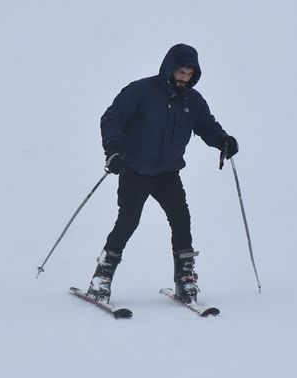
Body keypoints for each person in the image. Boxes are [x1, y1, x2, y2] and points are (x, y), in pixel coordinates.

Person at [86, 43, 239, 303]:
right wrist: (113, 150)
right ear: (169, 68)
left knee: (181, 219)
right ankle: (102, 276)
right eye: (180, 72)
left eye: (189, 74)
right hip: (134, 169)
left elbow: (206, 126)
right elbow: (112, 117)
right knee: (128, 221)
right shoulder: (141, 91)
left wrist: (223, 140)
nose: (184, 78)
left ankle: (185, 278)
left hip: (168, 173)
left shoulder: (194, 100)